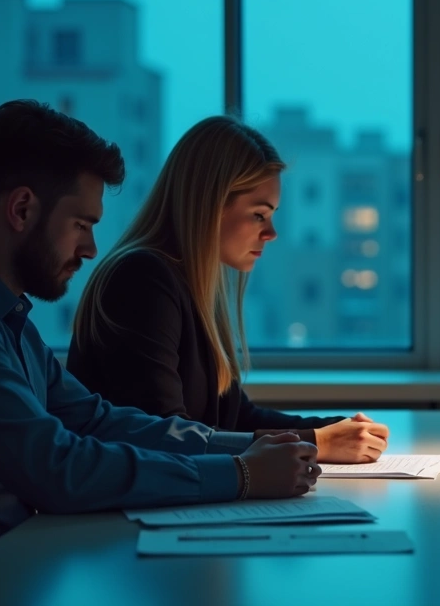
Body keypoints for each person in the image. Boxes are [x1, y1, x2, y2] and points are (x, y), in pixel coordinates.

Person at [0, 101, 318, 593]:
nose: (90, 249)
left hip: (5, 570)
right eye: (82, 225)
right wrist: (241, 475)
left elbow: (99, 420)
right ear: (21, 209)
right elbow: (58, 467)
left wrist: (250, 450)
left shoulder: (3, 317)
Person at [66, 116, 389, 464]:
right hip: (126, 513)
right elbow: (161, 436)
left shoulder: (189, 282)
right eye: (258, 215)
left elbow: (237, 417)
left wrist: (337, 430)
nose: (272, 234)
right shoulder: (142, 279)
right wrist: (317, 442)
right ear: (209, 205)